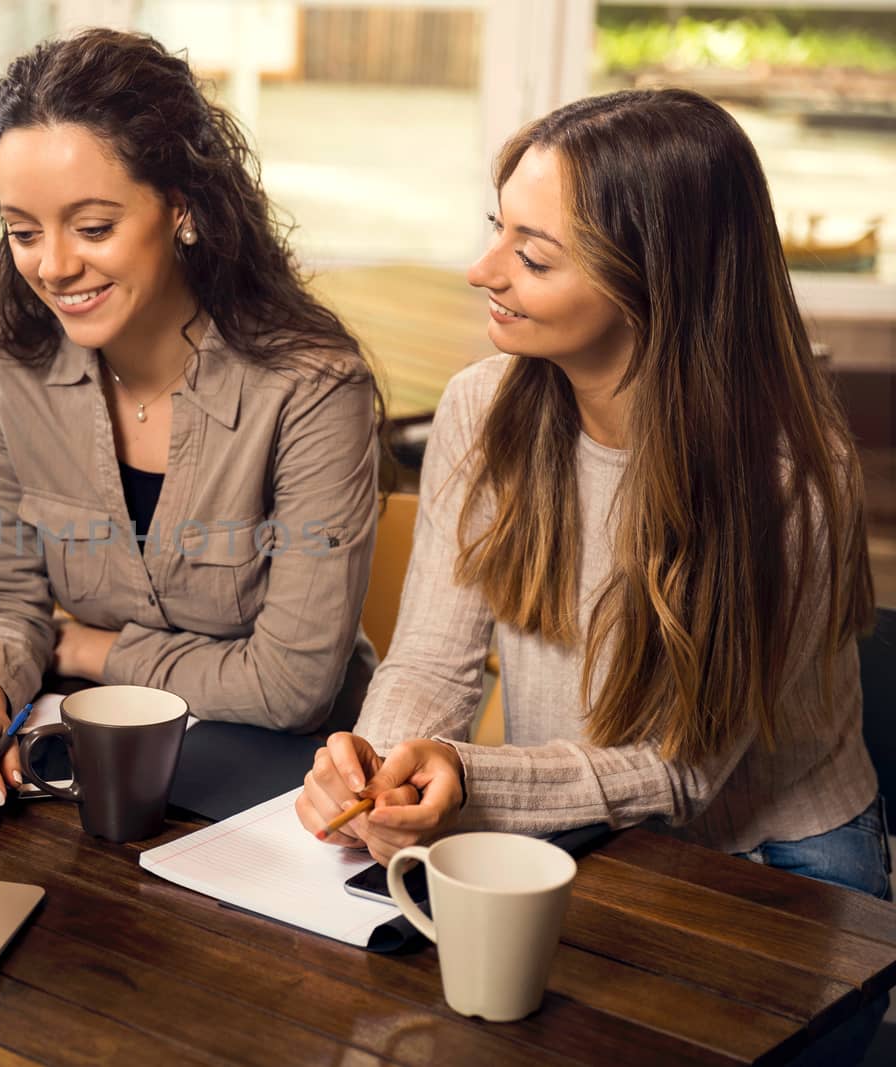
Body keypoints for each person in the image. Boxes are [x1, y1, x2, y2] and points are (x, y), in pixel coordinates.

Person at [299, 87, 885, 893]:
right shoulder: (481, 407)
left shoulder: (788, 477)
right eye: (497, 230)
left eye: (534, 256)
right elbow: (433, 659)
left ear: (656, 284)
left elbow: (680, 773)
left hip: (772, 861)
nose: (483, 271)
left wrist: (468, 779)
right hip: (572, 829)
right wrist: (379, 774)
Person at [0, 29, 387, 834]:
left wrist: (83, 650)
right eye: (25, 230)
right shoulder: (5, 368)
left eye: (94, 227)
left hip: (289, 789)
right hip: (84, 765)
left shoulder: (313, 386)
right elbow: (4, 594)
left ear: (182, 208)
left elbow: (291, 685)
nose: (54, 267)